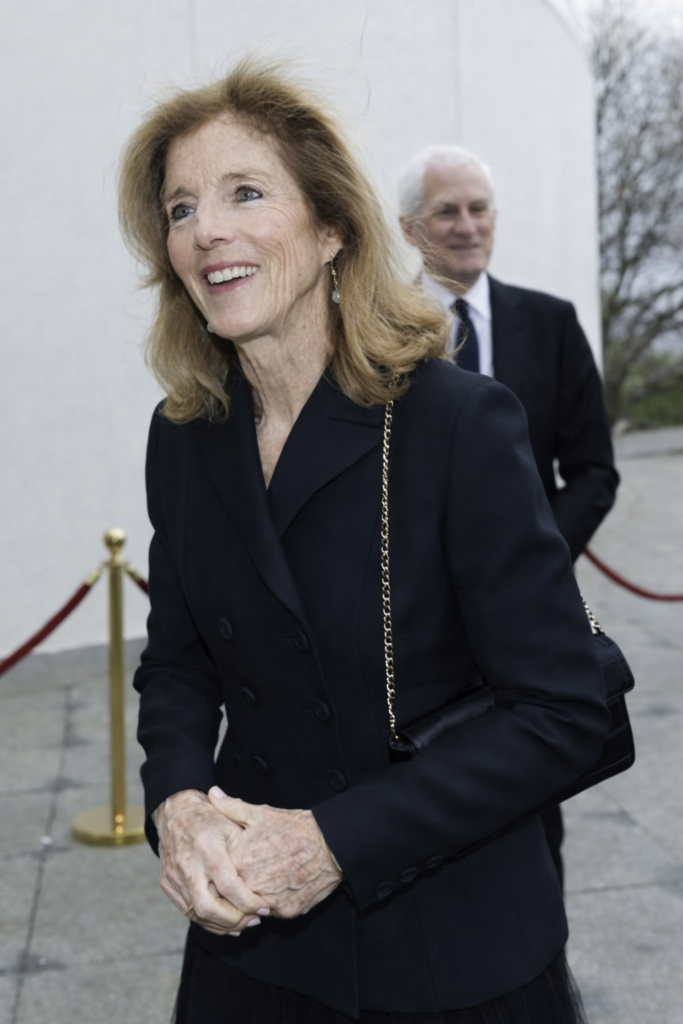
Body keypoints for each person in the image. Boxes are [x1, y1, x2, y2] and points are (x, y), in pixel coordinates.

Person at [121, 58, 609, 1024]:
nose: (205, 227)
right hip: (253, 945)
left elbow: (565, 713)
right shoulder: (183, 434)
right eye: (180, 209)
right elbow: (176, 665)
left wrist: (336, 841)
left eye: (244, 193)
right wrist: (176, 805)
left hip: (447, 942)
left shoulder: (454, 423)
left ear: (333, 226)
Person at [399, 145, 619, 885]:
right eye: (446, 211)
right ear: (408, 229)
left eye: (478, 208)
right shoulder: (372, 336)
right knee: (418, 808)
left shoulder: (550, 323)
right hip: (413, 624)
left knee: (533, 804)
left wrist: (529, 564)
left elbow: (592, 469)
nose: (466, 226)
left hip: (529, 620)